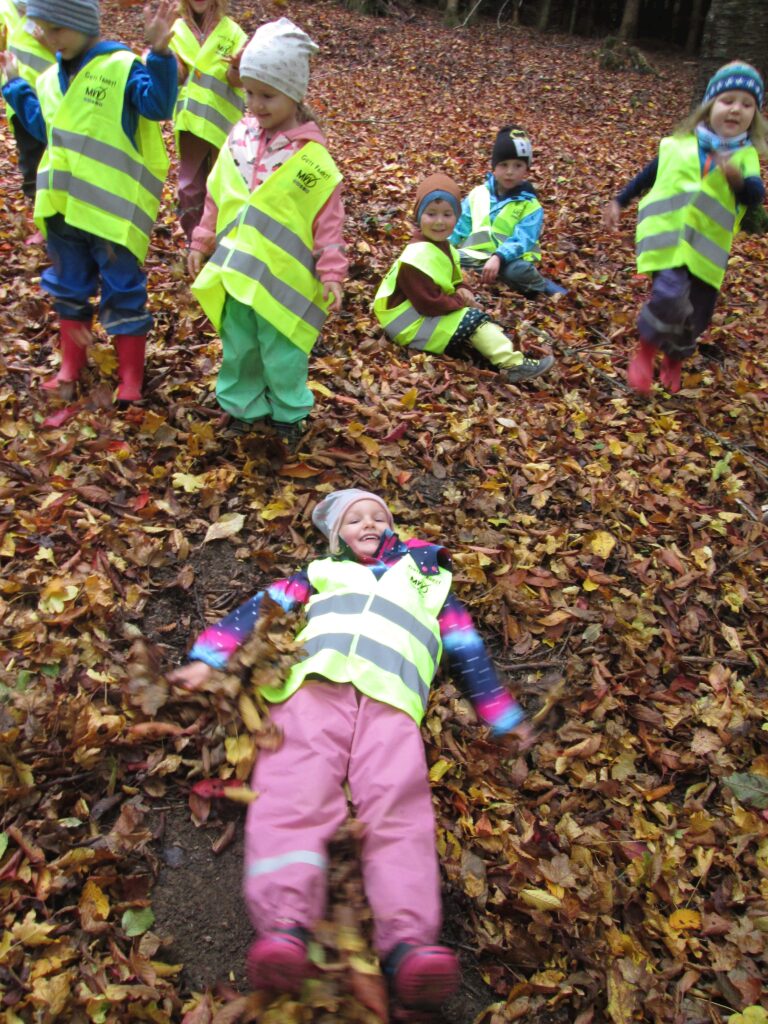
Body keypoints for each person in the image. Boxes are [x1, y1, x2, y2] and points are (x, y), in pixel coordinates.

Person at [170, 488, 532, 1010]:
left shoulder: (429, 580)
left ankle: (408, 943)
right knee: (291, 793)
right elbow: (258, 610)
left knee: (398, 806)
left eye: (377, 516)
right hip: (312, 691)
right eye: (353, 519)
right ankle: (286, 926)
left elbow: (466, 648)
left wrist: (499, 713)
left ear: (393, 529)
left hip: (392, 701)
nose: (367, 523)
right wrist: (209, 657)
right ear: (335, 537)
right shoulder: (318, 574)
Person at [0, 0, 177, 403]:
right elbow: (45, 127)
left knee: (123, 290)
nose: (46, 37)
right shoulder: (48, 79)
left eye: (55, 29)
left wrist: (161, 55)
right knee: (69, 287)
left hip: (111, 215)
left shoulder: (121, 67)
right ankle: (70, 367)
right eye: (42, 28)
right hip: (63, 209)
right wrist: (14, 86)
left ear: (81, 24)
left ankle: (130, 380)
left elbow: (159, 106)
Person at [188, 18, 346, 445]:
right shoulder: (238, 137)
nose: (255, 104)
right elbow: (217, 193)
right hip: (238, 270)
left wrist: (331, 271)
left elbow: (328, 220)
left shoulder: (311, 158)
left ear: (294, 93)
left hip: (284, 279)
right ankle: (242, 406)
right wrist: (203, 238)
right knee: (239, 346)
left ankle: (288, 413)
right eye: (249, 92)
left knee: (283, 350)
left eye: (267, 95)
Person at [603, 62, 767, 394]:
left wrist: (737, 180)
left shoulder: (745, 156)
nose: (735, 109)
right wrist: (620, 201)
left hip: (707, 250)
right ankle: (646, 351)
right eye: (727, 100)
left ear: (755, 115)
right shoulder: (678, 144)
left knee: (696, 316)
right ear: (709, 106)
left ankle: (674, 358)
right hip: (667, 239)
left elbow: (755, 194)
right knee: (670, 297)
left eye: (746, 104)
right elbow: (648, 175)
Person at [373, 172, 554, 383]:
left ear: (456, 218)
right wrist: (460, 302)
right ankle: (513, 365)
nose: (439, 222)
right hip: (409, 325)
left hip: (421, 316)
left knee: (476, 319)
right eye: (431, 214)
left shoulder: (444, 247)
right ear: (418, 217)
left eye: (447, 215)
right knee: (473, 320)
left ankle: (499, 350)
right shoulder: (416, 257)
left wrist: (462, 287)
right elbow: (428, 304)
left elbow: (451, 276)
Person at [450, 126, 568, 299]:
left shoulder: (530, 205)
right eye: (504, 165)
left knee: (517, 272)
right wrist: (440, 247)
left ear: (526, 170)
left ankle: (542, 286)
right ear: (494, 168)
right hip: (475, 257)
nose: (510, 172)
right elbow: (459, 227)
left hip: (510, 261)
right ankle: (494, 280)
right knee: (449, 258)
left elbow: (523, 239)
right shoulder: (478, 194)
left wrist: (498, 257)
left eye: (517, 165)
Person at [168, 0, 246, 240]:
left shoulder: (233, 32)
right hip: (190, 122)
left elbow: (239, 80)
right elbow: (178, 74)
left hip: (224, 126)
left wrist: (237, 67)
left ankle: (221, 243)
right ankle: (195, 242)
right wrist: (161, 58)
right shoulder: (174, 30)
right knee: (189, 189)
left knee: (222, 187)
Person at [0, 0, 54, 213]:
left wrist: (47, 42)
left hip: (53, 97)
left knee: (55, 153)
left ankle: (52, 210)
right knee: (31, 156)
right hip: (20, 99)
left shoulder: (56, 14)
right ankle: (39, 209)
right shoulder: (6, 10)